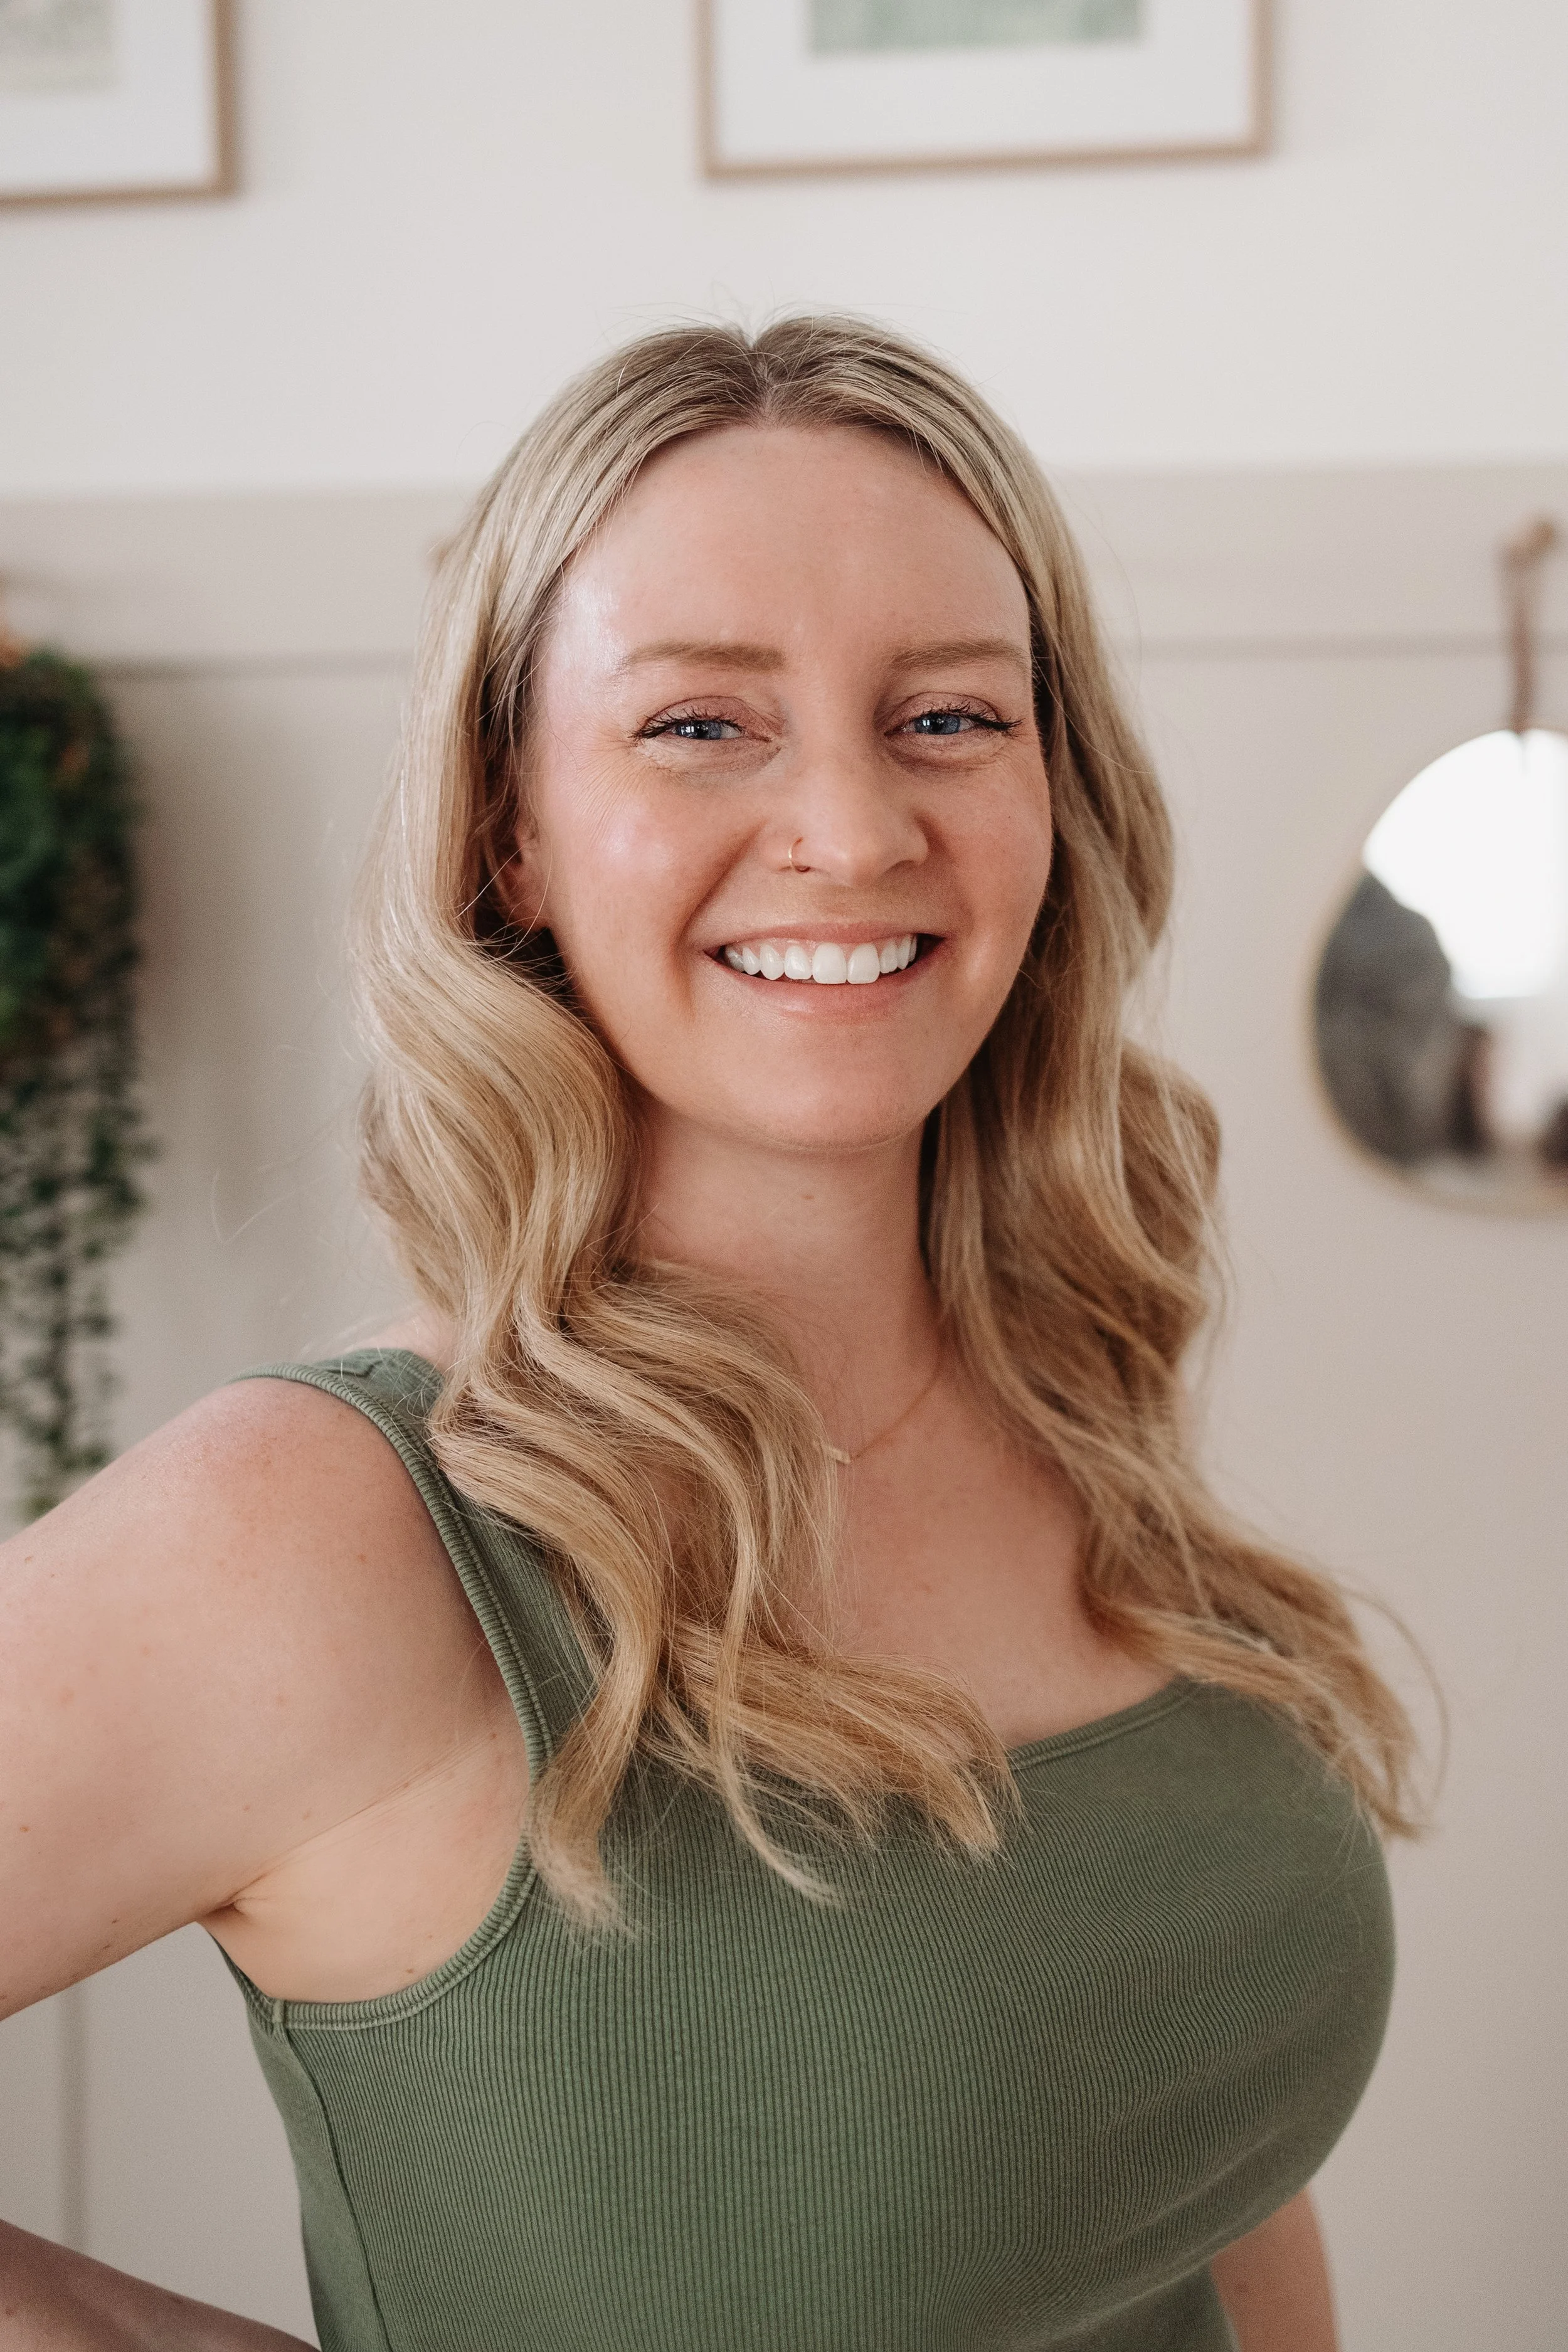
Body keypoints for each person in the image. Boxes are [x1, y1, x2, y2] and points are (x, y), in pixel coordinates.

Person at [1, 317, 1419, 2352]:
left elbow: (1198, 2195)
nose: (850, 825)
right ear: (509, 830)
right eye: (698, 724)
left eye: (947, 715)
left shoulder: (1060, 1385)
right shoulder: (335, 1524)